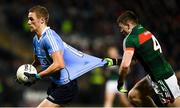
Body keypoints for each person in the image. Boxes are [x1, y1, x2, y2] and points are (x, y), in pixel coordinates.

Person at [17, 5, 110, 107]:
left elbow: (59, 64)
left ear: (42, 20)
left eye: (31, 19)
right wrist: (26, 75)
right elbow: (38, 62)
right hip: (56, 84)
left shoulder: (49, 37)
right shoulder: (35, 39)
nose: (28, 22)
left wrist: (38, 76)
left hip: (66, 85)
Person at [107, 11, 180, 107]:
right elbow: (133, 60)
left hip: (161, 78)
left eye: (121, 27)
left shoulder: (130, 39)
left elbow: (125, 66)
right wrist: (114, 61)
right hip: (156, 75)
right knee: (134, 95)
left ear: (128, 25)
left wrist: (120, 83)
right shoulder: (143, 30)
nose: (121, 31)